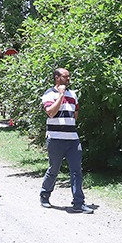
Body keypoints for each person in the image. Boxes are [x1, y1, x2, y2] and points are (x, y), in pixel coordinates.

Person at [39, 68, 93, 213]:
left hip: (72, 139)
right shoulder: (49, 94)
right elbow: (51, 113)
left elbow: (75, 114)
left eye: (69, 77)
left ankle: (78, 203)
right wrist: (61, 95)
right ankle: (44, 195)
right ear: (57, 77)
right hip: (55, 139)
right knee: (54, 169)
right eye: (65, 77)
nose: (68, 79)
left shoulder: (73, 94)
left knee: (76, 171)